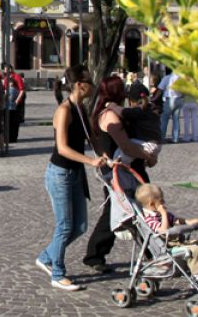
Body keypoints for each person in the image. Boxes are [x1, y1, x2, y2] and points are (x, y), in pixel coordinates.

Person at [35, 65, 106, 292]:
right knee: (65, 226)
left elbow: (92, 138)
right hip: (60, 173)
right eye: (90, 82)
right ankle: (57, 273)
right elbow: (63, 148)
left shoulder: (81, 109)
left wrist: (104, 156)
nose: (93, 86)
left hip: (75, 173)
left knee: (80, 226)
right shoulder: (64, 110)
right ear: (79, 85)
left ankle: (46, 256)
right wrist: (91, 161)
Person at [82, 75, 157, 274]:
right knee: (124, 209)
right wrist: (148, 155)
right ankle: (95, 254)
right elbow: (125, 146)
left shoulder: (112, 112)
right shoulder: (109, 116)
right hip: (120, 170)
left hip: (128, 167)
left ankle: (153, 250)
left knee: (143, 207)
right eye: (122, 89)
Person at [135, 183, 198, 289]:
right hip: (167, 247)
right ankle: (196, 276)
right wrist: (163, 213)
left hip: (177, 242)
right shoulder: (150, 219)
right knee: (194, 250)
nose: (164, 202)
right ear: (152, 204)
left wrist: (188, 222)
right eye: (161, 201)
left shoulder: (161, 213)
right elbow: (164, 230)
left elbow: (176, 220)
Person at [158, 69, 183, 143]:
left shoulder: (167, 78)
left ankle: (162, 137)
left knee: (164, 119)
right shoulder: (181, 78)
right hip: (179, 99)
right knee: (176, 120)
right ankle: (175, 138)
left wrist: (154, 98)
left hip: (169, 100)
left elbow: (160, 89)